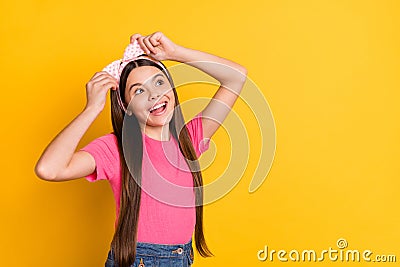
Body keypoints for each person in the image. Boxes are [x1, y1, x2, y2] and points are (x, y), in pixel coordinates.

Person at [35, 31, 247, 267]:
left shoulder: (190, 139)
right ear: (126, 106)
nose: (154, 94)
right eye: (138, 91)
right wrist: (91, 109)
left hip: (183, 256)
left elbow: (236, 77)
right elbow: (49, 169)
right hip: (138, 260)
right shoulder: (115, 149)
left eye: (159, 82)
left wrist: (175, 53)